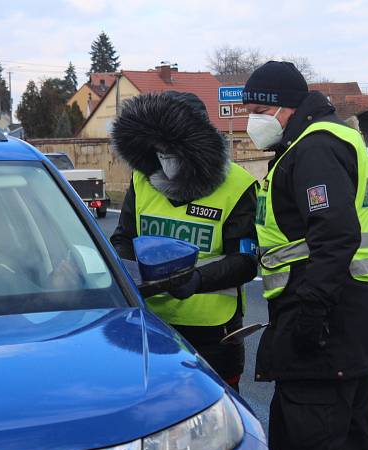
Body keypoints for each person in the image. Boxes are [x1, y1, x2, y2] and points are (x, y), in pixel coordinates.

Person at [244, 61, 368, 450]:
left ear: (287, 106)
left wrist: (308, 314)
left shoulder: (314, 150)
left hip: (322, 337)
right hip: (348, 333)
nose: (252, 118)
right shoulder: (318, 142)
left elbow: (335, 235)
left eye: (260, 107)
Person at [110, 91, 258, 391]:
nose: (164, 156)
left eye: (173, 148)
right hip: (149, 322)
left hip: (213, 331)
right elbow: (122, 239)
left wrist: (196, 280)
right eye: (159, 148)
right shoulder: (142, 179)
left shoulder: (237, 185)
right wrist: (130, 273)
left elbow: (245, 261)